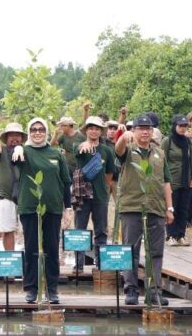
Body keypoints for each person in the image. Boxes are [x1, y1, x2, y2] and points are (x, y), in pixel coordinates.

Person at [116, 114, 174, 306]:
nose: (144, 132)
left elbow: (166, 182)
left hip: (155, 208)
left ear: (152, 131)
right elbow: (118, 151)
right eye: (140, 128)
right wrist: (123, 139)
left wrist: (169, 207)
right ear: (134, 131)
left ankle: (154, 290)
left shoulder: (159, 153)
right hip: (132, 206)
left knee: (155, 251)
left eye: (147, 128)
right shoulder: (128, 149)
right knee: (130, 250)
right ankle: (131, 289)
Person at [13, 117, 72, 304]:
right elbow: (11, 159)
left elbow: (66, 182)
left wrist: (68, 207)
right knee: (31, 248)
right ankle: (31, 288)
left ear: (46, 132)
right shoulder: (24, 152)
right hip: (30, 208)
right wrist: (17, 147)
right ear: (29, 133)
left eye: (41, 129)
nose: (37, 133)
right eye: (33, 130)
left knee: (52, 249)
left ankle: (52, 289)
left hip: (53, 208)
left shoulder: (56, 154)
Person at [73, 116, 116, 270]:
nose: (94, 131)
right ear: (86, 130)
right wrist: (83, 145)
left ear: (101, 131)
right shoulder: (78, 146)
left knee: (101, 231)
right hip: (82, 196)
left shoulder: (106, 151)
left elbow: (110, 173)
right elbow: (77, 150)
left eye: (97, 128)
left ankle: (101, 264)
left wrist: (102, 186)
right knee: (80, 231)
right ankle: (78, 266)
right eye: (91, 128)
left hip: (100, 197)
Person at [0, 123, 26, 252]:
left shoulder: (27, 151)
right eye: (11, 135)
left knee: (29, 230)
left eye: (17, 135)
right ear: (6, 137)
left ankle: (29, 260)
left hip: (25, 196)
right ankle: (11, 261)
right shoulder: (1, 150)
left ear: (22, 138)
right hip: (4, 195)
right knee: (7, 230)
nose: (14, 138)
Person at [161, 115, 192, 247]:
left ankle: (181, 235)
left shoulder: (189, 142)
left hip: (186, 180)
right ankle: (171, 235)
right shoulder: (167, 141)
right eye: (180, 126)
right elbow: (161, 160)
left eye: (184, 126)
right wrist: (163, 179)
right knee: (172, 208)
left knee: (184, 209)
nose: (183, 129)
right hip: (171, 181)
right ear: (174, 126)